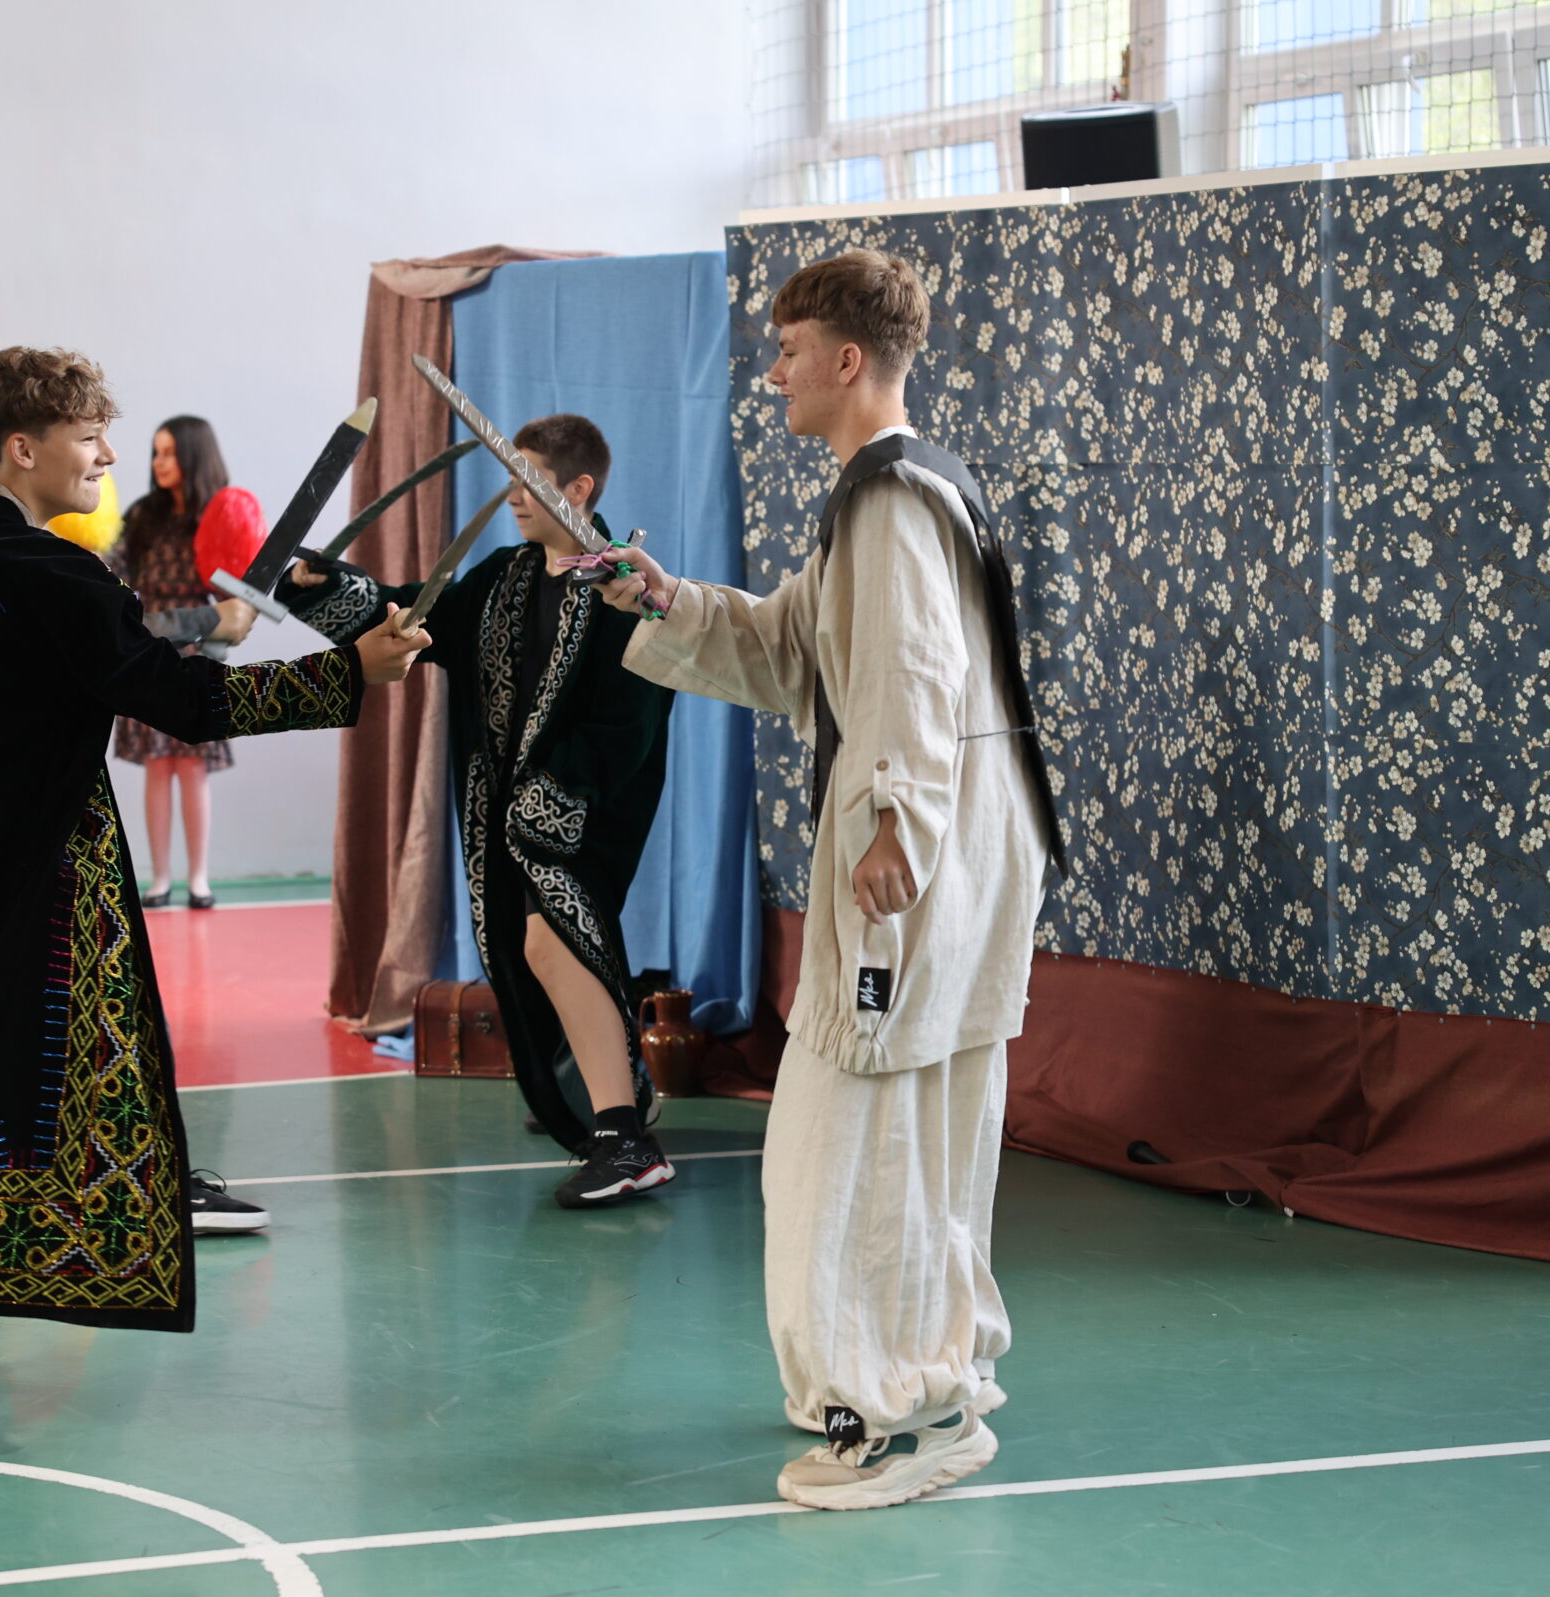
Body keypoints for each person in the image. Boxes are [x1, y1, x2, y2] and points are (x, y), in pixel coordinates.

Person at [0, 346, 429, 1450]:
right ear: (21, 447)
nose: (103, 455)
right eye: (87, 436)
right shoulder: (47, 571)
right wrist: (347, 671)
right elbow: (180, 700)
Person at [594, 250, 1060, 1510]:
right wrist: (663, 598)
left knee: (839, 1147)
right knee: (913, 1133)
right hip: (959, 856)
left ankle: (892, 1417)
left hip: (914, 866)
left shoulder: (890, 501)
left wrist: (895, 825)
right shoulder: (899, 488)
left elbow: (912, 677)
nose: (774, 373)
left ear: (848, 359)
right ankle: (932, 1384)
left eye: (789, 350)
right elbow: (797, 646)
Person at [280, 416, 677, 1208]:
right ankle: (605, 1086)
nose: (512, 495)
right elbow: (416, 616)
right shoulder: (503, 576)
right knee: (523, 953)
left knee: (552, 938)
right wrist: (324, 587)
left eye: (529, 478)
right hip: (505, 812)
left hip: (581, 812)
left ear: (579, 488)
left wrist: (556, 794)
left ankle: (626, 1139)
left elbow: (633, 715)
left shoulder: (623, 585)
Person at [111, 416, 258, 909]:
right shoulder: (142, 516)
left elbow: (239, 579)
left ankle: (198, 878)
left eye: (170, 452)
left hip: (199, 647)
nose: (160, 462)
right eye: (157, 452)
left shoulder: (217, 516)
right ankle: (160, 878)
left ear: (194, 455)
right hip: (150, 645)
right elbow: (117, 567)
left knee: (192, 766)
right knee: (157, 765)